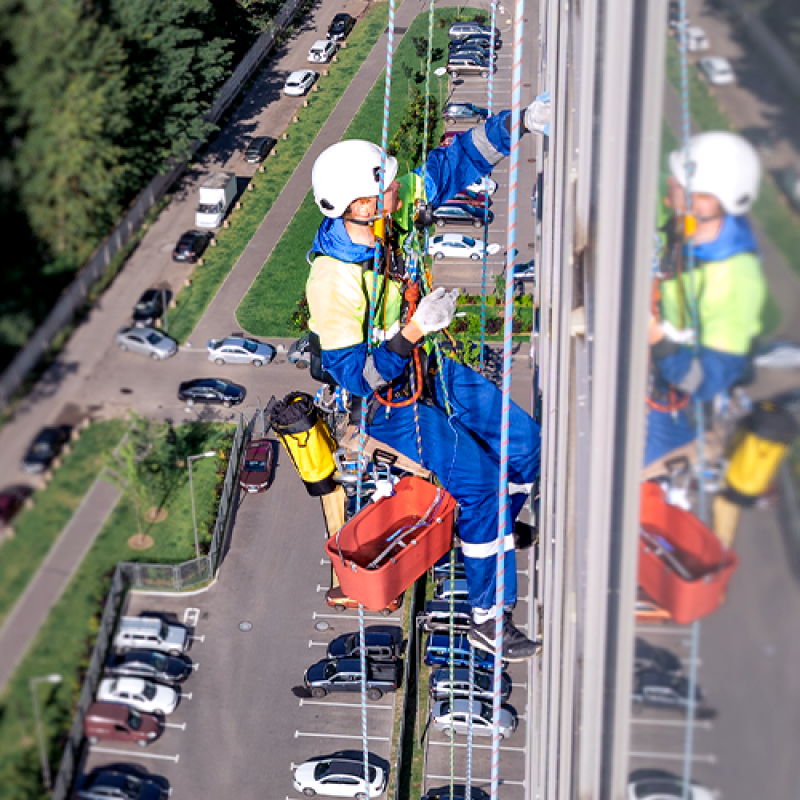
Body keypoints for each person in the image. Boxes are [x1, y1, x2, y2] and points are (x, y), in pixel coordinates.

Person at [306, 108, 542, 660]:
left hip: (429, 365)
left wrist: (523, 120)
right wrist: (415, 328)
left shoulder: (390, 216)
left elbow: (451, 163)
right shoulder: (333, 280)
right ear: (359, 207)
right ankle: (488, 614)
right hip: (388, 400)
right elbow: (357, 378)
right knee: (481, 483)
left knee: (526, 445)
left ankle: (493, 531)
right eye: (384, 189)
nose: (397, 192)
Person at [645, 131, 767, 466]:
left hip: (671, 412)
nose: (669, 186)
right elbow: (627, 179)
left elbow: (706, 379)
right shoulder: (679, 220)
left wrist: (657, 338)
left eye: (680, 184)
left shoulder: (734, 281)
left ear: (705, 202)